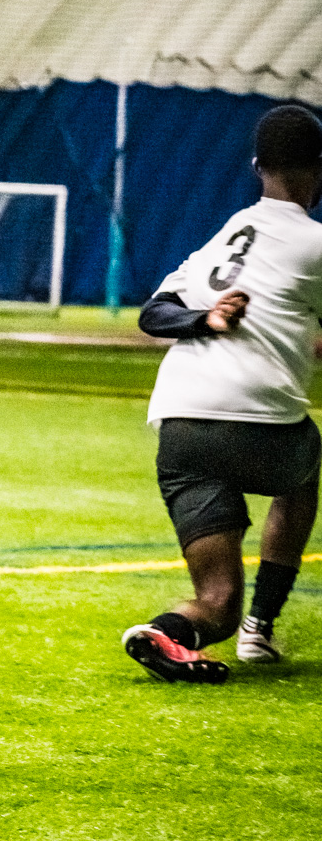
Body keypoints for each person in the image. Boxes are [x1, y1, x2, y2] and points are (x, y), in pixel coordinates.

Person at [122, 104, 322, 685]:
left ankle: (164, 633)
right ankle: (260, 628)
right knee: (306, 468)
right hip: (258, 423)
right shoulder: (314, 243)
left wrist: (206, 320)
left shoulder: (227, 233)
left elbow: (154, 314)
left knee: (215, 603)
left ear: (257, 165)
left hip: (181, 426)